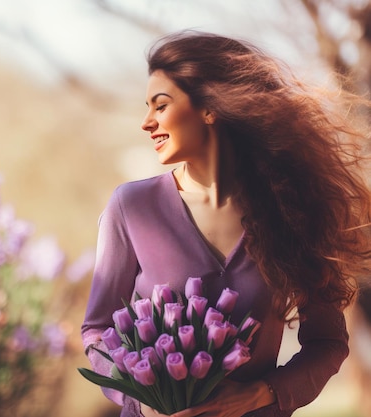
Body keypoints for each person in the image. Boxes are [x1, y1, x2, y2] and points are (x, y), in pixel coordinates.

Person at [81, 31, 371, 417]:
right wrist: (139, 397)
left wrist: (258, 395)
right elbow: (98, 331)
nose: (146, 122)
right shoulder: (132, 207)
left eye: (161, 105)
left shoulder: (290, 213)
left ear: (210, 108)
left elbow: (327, 343)